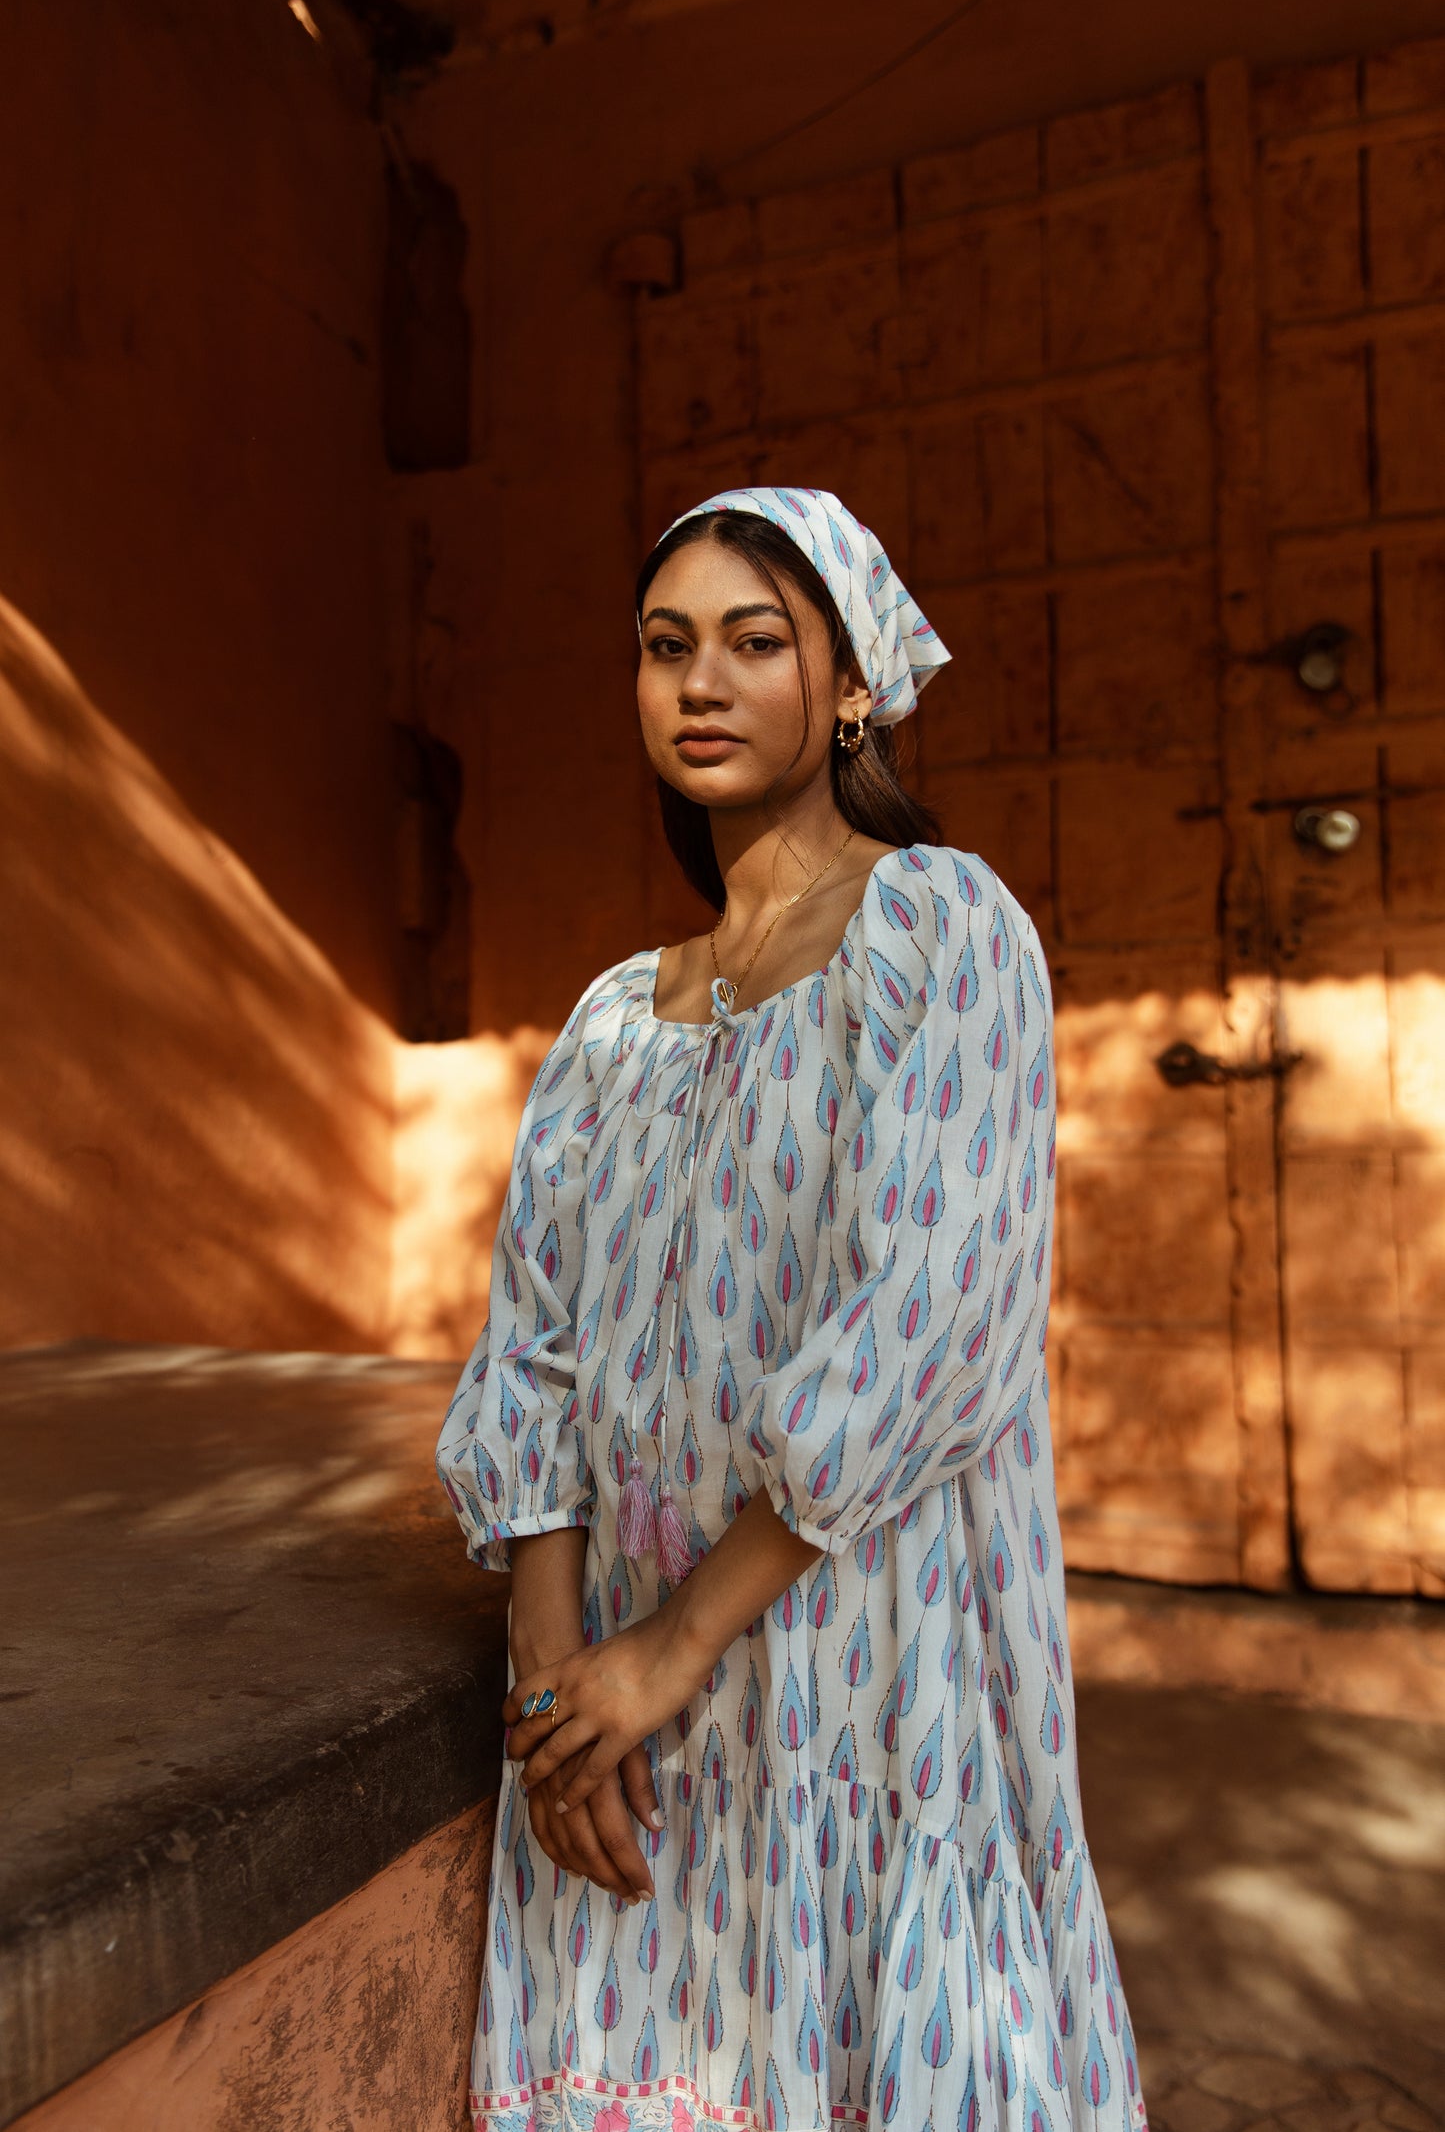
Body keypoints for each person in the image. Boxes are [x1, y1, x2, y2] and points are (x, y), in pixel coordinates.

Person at [436, 486, 1146, 2132]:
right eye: (664, 647)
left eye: (754, 643)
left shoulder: (939, 931)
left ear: (847, 686)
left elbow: (934, 1325)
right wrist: (560, 1693)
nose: (698, 683)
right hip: (627, 1692)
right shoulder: (617, 1015)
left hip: (852, 1663)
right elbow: (526, 1351)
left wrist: (678, 1648)